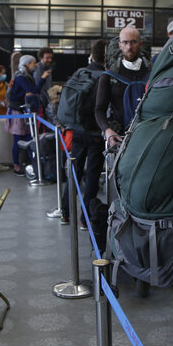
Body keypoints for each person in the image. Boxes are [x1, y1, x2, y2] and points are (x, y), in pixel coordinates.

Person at [60, 39, 107, 223]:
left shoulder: (81, 72)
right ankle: (85, 218)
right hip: (96, 132)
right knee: (93, 176)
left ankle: (65, 212)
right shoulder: (105, 76)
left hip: (77, 130)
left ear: (92, 55)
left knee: (75, 172)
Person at [95, 26, 150, 149]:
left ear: (140, 44)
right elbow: (99, 109)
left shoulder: (152, 73)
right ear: (120, 45)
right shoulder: (109, 76)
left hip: (148, 136)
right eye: (125, 42)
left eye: (133, 42)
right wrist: (107, 130)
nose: (129, 47)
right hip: (119, 138)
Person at [7, 54, 47, 176]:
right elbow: (33, 90)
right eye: (33, 63)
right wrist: (43, 78)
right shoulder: (20, 77)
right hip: (17, 112)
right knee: (18, 139)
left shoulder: (26, 76)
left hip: (23, 112)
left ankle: (31, 164)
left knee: (29, 138)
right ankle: (17, 166)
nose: (35, 65)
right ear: (27, 64)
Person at [35, 47, 54, 112]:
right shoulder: (37, 69)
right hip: (39, 103)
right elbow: (38, 87)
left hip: (47, 102)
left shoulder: (48, 68)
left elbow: (49, 85)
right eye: (47, 58)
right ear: (41, 58)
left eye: (51, 58)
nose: (50, 60)